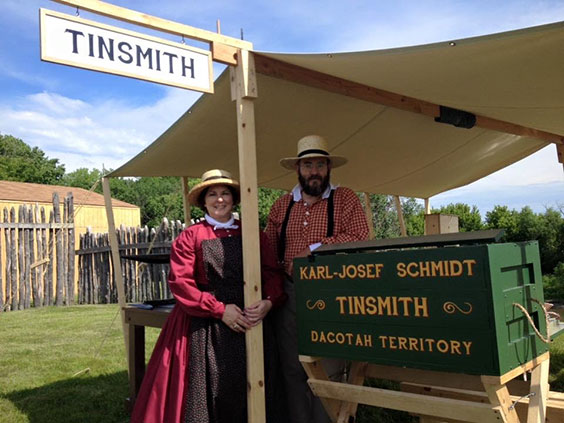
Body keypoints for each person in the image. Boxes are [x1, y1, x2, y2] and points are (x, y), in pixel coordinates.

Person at [131, 169, 286, 423]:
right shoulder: (191, 236)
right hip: (207, 324)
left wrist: (269, 301)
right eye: (212, 194)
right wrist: (219, 309)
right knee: (211, 389)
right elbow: (181, 283)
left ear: (234, 199)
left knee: (255, 385)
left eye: (225, 193)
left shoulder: (252, 233)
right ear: (204, 201)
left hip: (252, 319)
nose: (219, 199)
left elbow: (271, 271)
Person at [265, 135, 370, 423]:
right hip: (292, 293)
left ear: (328, 168)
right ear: (298, 168)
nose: (314, 171)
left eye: (320, 165)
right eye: (308, 164)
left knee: (330, 366)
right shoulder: (281, 206)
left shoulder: (345, 198)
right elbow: (269, 252)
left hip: (332, 291)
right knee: (292, 366)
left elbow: (361, 238)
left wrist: (313, 249)